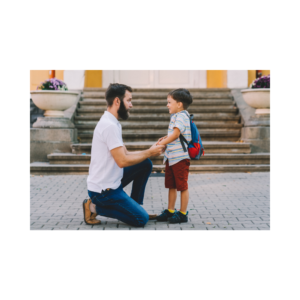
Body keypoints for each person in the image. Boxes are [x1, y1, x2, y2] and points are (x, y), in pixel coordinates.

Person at [83, 83, 166, 227]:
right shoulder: (109, 126)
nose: (131, 105)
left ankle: (136, 206)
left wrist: (150, 151)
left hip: (112, 181)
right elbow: (122, 161)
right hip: (103, 191)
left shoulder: (113, 123)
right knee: (141, 219)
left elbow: (126, 153)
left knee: (145, 163)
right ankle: (93, 207)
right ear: (117, 101)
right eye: (129, 100)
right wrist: (150, 152)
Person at [155, 89, 193, 224]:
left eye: (169, 102)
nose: (167, 105)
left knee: (182, 186)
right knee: (171, 185)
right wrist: (165, 138)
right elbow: (175, 134)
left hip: (180, 158)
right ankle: (170, 210)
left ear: (179, 104)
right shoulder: (176, 116)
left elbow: (176, 135)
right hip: (171, 157)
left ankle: (183, 213)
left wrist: (161, 144)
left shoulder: (182, 115)